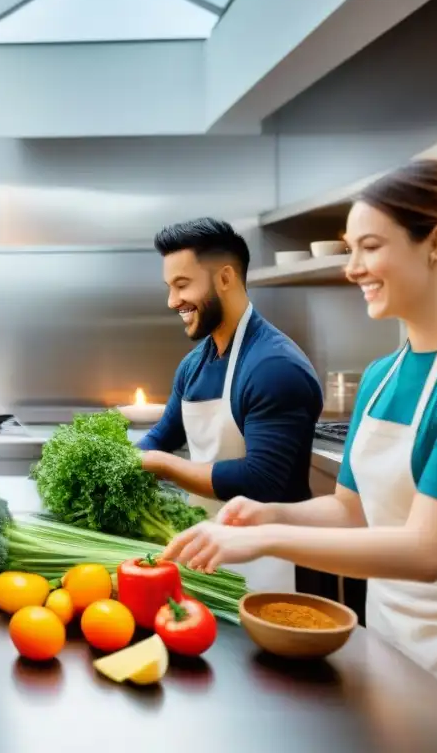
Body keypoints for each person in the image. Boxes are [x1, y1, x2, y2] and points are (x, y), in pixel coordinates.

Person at [163, 159, 437, 730]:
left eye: (369, 247)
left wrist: (266, 540)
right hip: (395, 637)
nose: (352, 269)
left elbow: (426, 552)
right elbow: (351, 510)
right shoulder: (381, 375)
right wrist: (267, 512)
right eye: (348, 249)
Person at [137, 218, 325, 594]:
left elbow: (263, 480)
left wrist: (161, 465)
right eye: (169, 287)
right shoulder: (195, 365)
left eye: (182, 285)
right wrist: (115, 460)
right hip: (207, 554)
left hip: (273, 566)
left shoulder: (274, 366)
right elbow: (161, 436)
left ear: (224, 279)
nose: (172, 301)